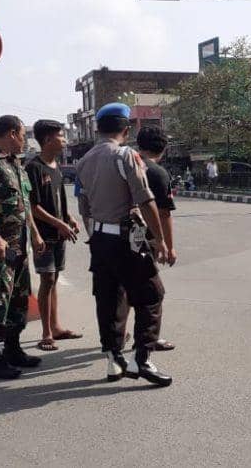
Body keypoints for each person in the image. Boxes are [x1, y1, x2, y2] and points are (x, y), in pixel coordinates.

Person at [75, 102, 172, 387]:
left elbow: (84, 207)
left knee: (109, 298)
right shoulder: (126, 155)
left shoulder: (83, 161)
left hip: (100, 238)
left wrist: (94, 236)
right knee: (152, 294)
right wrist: (161, 240)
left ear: (97, 129)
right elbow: (145, 199)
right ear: (126, 130)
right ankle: (141, 358)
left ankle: (113, 358)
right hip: (125, 238)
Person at [0, 115, 47, 380]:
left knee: (18, 300)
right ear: (12, 133)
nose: (26, 140)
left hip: (18, 247)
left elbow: (24, 205)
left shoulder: (16, 165)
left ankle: (13, 350)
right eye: (24, 135)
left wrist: (35, 235)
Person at [117, 125, 178, 352]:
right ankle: (147, 341)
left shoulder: (122, 165)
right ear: (164, 148)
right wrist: (169, 247)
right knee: (151, 292)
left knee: (124, 287)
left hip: (117, 235)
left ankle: (120, 334)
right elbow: (163, 213)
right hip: (145, 238)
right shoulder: (156, 173)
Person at [25, 119, 83, 352]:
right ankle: (46, 333)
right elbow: (33, 206)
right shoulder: (34, 167)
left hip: (59, 234)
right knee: (47, 280)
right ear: (48, 139)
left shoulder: (56, 166)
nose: (65, 140)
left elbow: (60, 199)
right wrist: (59, 223)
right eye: (61, 136)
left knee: (54, 279)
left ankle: (56, 327)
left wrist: (69, 218)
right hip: (44, 236)